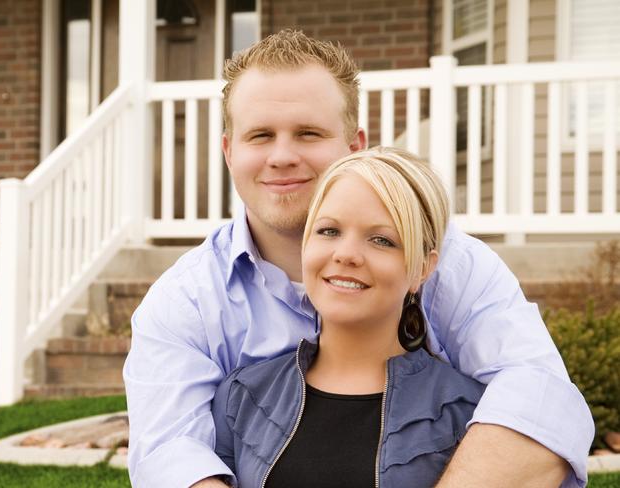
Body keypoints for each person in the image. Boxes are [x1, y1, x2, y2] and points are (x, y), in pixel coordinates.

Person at [123, 30, 593, 488]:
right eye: (260, 135)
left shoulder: (455, 264)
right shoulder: (183, 302)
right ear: (229, 151)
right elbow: (168, 455)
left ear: (354, 146)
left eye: (308, 133)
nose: (282, 156)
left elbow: (540, 399)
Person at [211, 146, 488, 488]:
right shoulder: (241, 397)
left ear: (422, 268)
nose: (346, 255)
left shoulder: (469, 412)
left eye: (382, 240)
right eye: (329, 231)